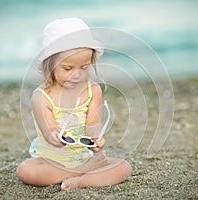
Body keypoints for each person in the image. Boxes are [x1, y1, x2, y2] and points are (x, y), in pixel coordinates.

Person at [16, 18, 132, 191]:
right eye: (68, 68)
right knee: (25, 170)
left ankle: (80, 181)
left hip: (82, 157)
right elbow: (49, 132)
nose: (76, 75)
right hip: (50, 161)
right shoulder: (41, 97)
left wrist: (95, 137)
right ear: (50, 65)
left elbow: (93, 124)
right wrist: (53, 136)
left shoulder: (92, 91)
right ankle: (82, 172)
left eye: (84, 67)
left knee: (124, 167)